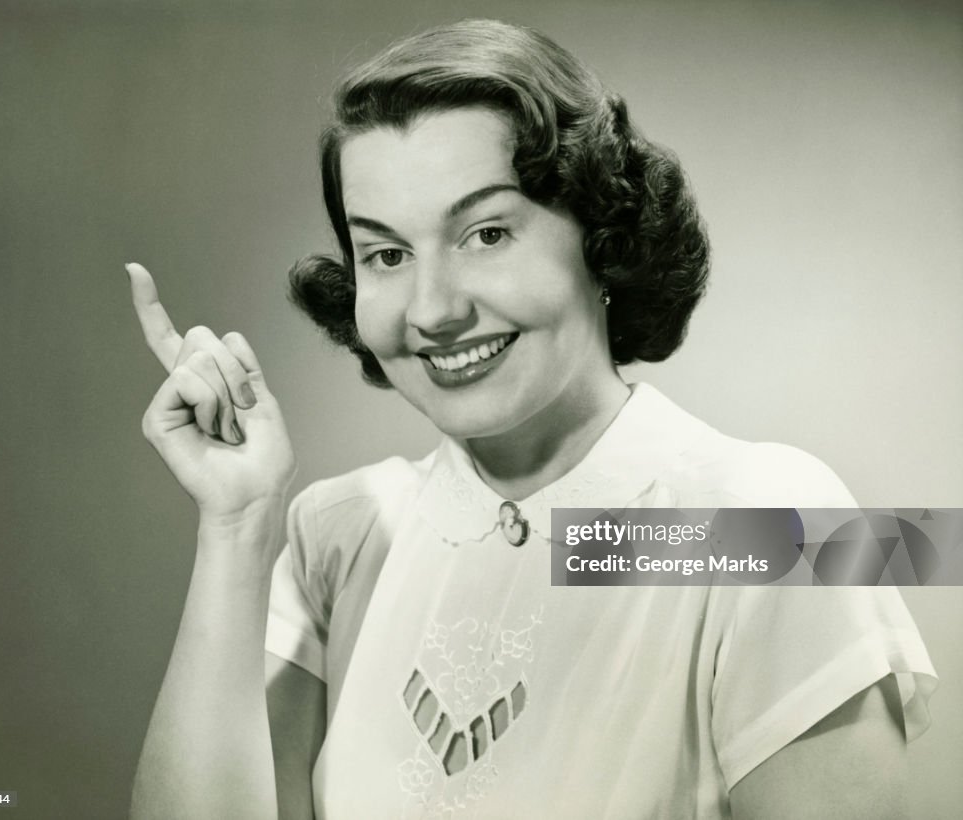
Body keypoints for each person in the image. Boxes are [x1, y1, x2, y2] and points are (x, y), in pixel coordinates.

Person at [127, 19, 936, 820]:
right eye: (386, 254)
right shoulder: (340, 533)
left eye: (486, 233)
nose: (434, 310)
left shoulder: (765, 522)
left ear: (604, 238)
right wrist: (237, 523)